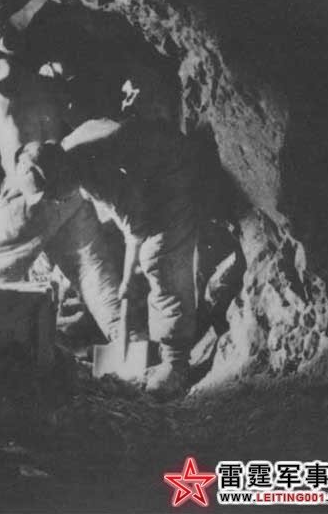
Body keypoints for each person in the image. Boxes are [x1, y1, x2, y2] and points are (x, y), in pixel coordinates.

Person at [0, 29, 123, 341]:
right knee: (95, 276)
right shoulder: (49, 86)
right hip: (68, 192)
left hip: (26, 196)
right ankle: (132, 348)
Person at [14, 117, 200, 396]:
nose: (54, 200)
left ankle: (176, 362)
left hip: (174, 175)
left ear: (62, 176)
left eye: (51, 193)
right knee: (126, 246)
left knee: (157, 259)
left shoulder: (99, 174)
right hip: (155, 168)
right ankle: (154, 337)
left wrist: (127, 281)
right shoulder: (71, 150)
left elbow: (137, 228)